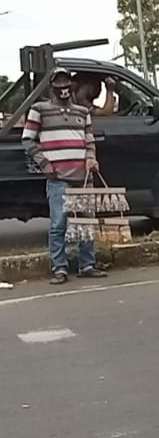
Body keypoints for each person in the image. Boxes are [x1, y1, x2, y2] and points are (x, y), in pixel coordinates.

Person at [22, 68, 108, 285]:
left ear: (71, 86)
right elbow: (28, 139)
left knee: (85, 222)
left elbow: (89, 140)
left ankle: (87, 265)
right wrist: (44, 163)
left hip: (84, 176)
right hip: (58, 177)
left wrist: (91, 157)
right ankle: (59, 268)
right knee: (58, 224)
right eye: (58, 84)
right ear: (52, 87)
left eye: (66, 83)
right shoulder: (39, 109)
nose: (63, 88)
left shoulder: (82, 112)